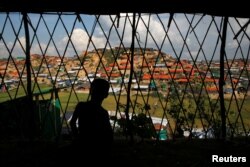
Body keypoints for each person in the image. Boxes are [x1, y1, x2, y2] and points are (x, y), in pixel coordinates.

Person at [70, 78, 113, 161]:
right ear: (106, 95)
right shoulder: (103, 112)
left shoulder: (81, 106)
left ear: (90, 91)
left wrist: (77, 138)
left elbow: (72, 123)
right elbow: (108, 134)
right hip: (97, 148)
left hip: (82, 144)